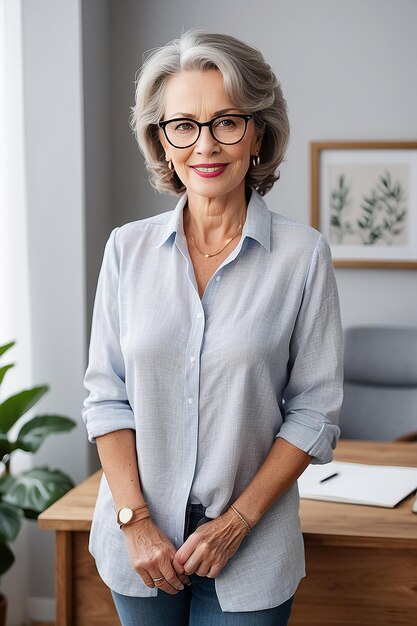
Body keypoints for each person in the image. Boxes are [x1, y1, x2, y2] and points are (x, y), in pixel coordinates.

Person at [82, 29, 343, 626]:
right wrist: (136, 521)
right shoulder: (126, 250)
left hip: (249, 547)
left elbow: (315, 411)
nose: (206, 144)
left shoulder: (302, 258)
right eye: (184, 125)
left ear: (258, 133)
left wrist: (237, 523)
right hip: (140, 546)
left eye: (227, 121)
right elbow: (107, 397)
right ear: (162, 140)